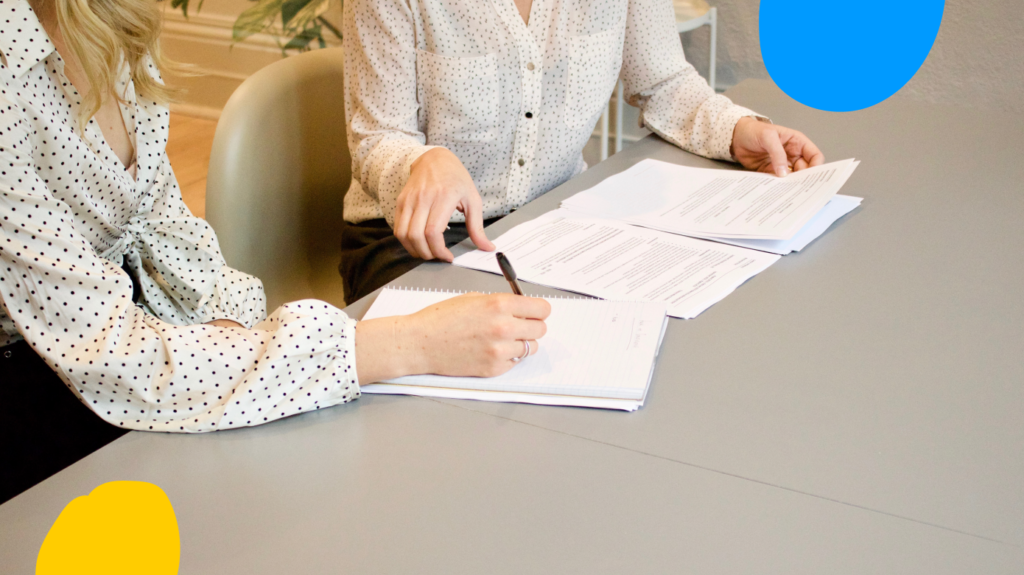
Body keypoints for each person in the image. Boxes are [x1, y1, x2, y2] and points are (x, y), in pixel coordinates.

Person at [0, 0, 550, 504]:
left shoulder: (106, 21)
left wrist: (239, 335)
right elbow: (118, 358)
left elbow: (167, 234)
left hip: (131, 343)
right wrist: (407, 344)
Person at [340, 0, 826, 303]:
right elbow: (376, 138)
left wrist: (736, 128)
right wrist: (421, 162)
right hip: (411, 241)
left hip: (551, 226)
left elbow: (663, 82)